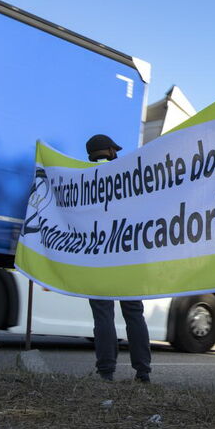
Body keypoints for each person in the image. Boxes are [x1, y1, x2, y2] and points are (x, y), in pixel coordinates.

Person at [85, 133, 152, 383]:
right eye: (116, 150)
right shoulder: (127, 177)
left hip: (98, 257)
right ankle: (142, 372)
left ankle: (106, 373)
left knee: (102, 315)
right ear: (111, 151)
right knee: (134, 313)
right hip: (127, 256)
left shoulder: (81, 179)